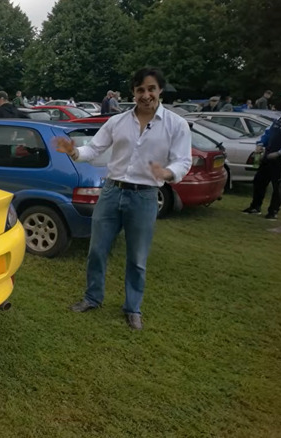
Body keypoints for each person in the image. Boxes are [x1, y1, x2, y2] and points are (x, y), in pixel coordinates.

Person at [53, 67, 192, 330]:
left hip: (144, 196)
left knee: (137, 258)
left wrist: (168, 172)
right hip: (112, 191)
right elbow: (94, 148)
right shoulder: (118, 121)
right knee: (96, 251)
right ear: (133, 93)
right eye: (140, 90)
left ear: (160, 90)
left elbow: (183, 161)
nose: (146, 95)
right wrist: (74, 151)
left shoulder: (176, 125)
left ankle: (133, 308)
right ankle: (92, 298)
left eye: (151, 89)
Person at [242, 90, 281, 220]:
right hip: (267, 155)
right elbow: (269, 131)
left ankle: (273, 212)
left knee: (277, 186)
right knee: (259, 181)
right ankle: (255, 207)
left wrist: (280, 153)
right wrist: (260, 143)